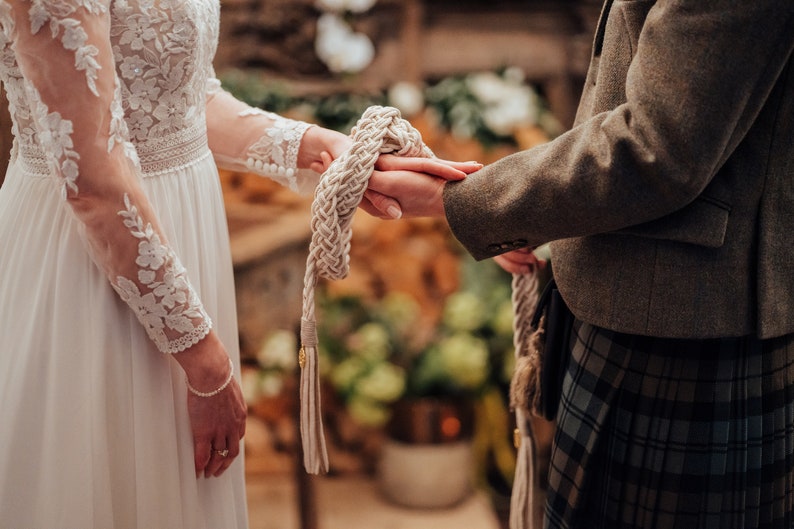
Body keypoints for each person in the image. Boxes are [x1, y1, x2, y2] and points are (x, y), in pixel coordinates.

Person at [0, 0, 478, 527]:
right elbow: (93, 179)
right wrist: (204, 361)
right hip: (92, 260)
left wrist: (317, 146)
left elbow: (178, 98)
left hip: (182, 237)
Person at [365, 1, 794, 527]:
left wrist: (462, 201)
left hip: (683, 339)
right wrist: (531, 219)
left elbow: (656, 150)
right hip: (643, 309)